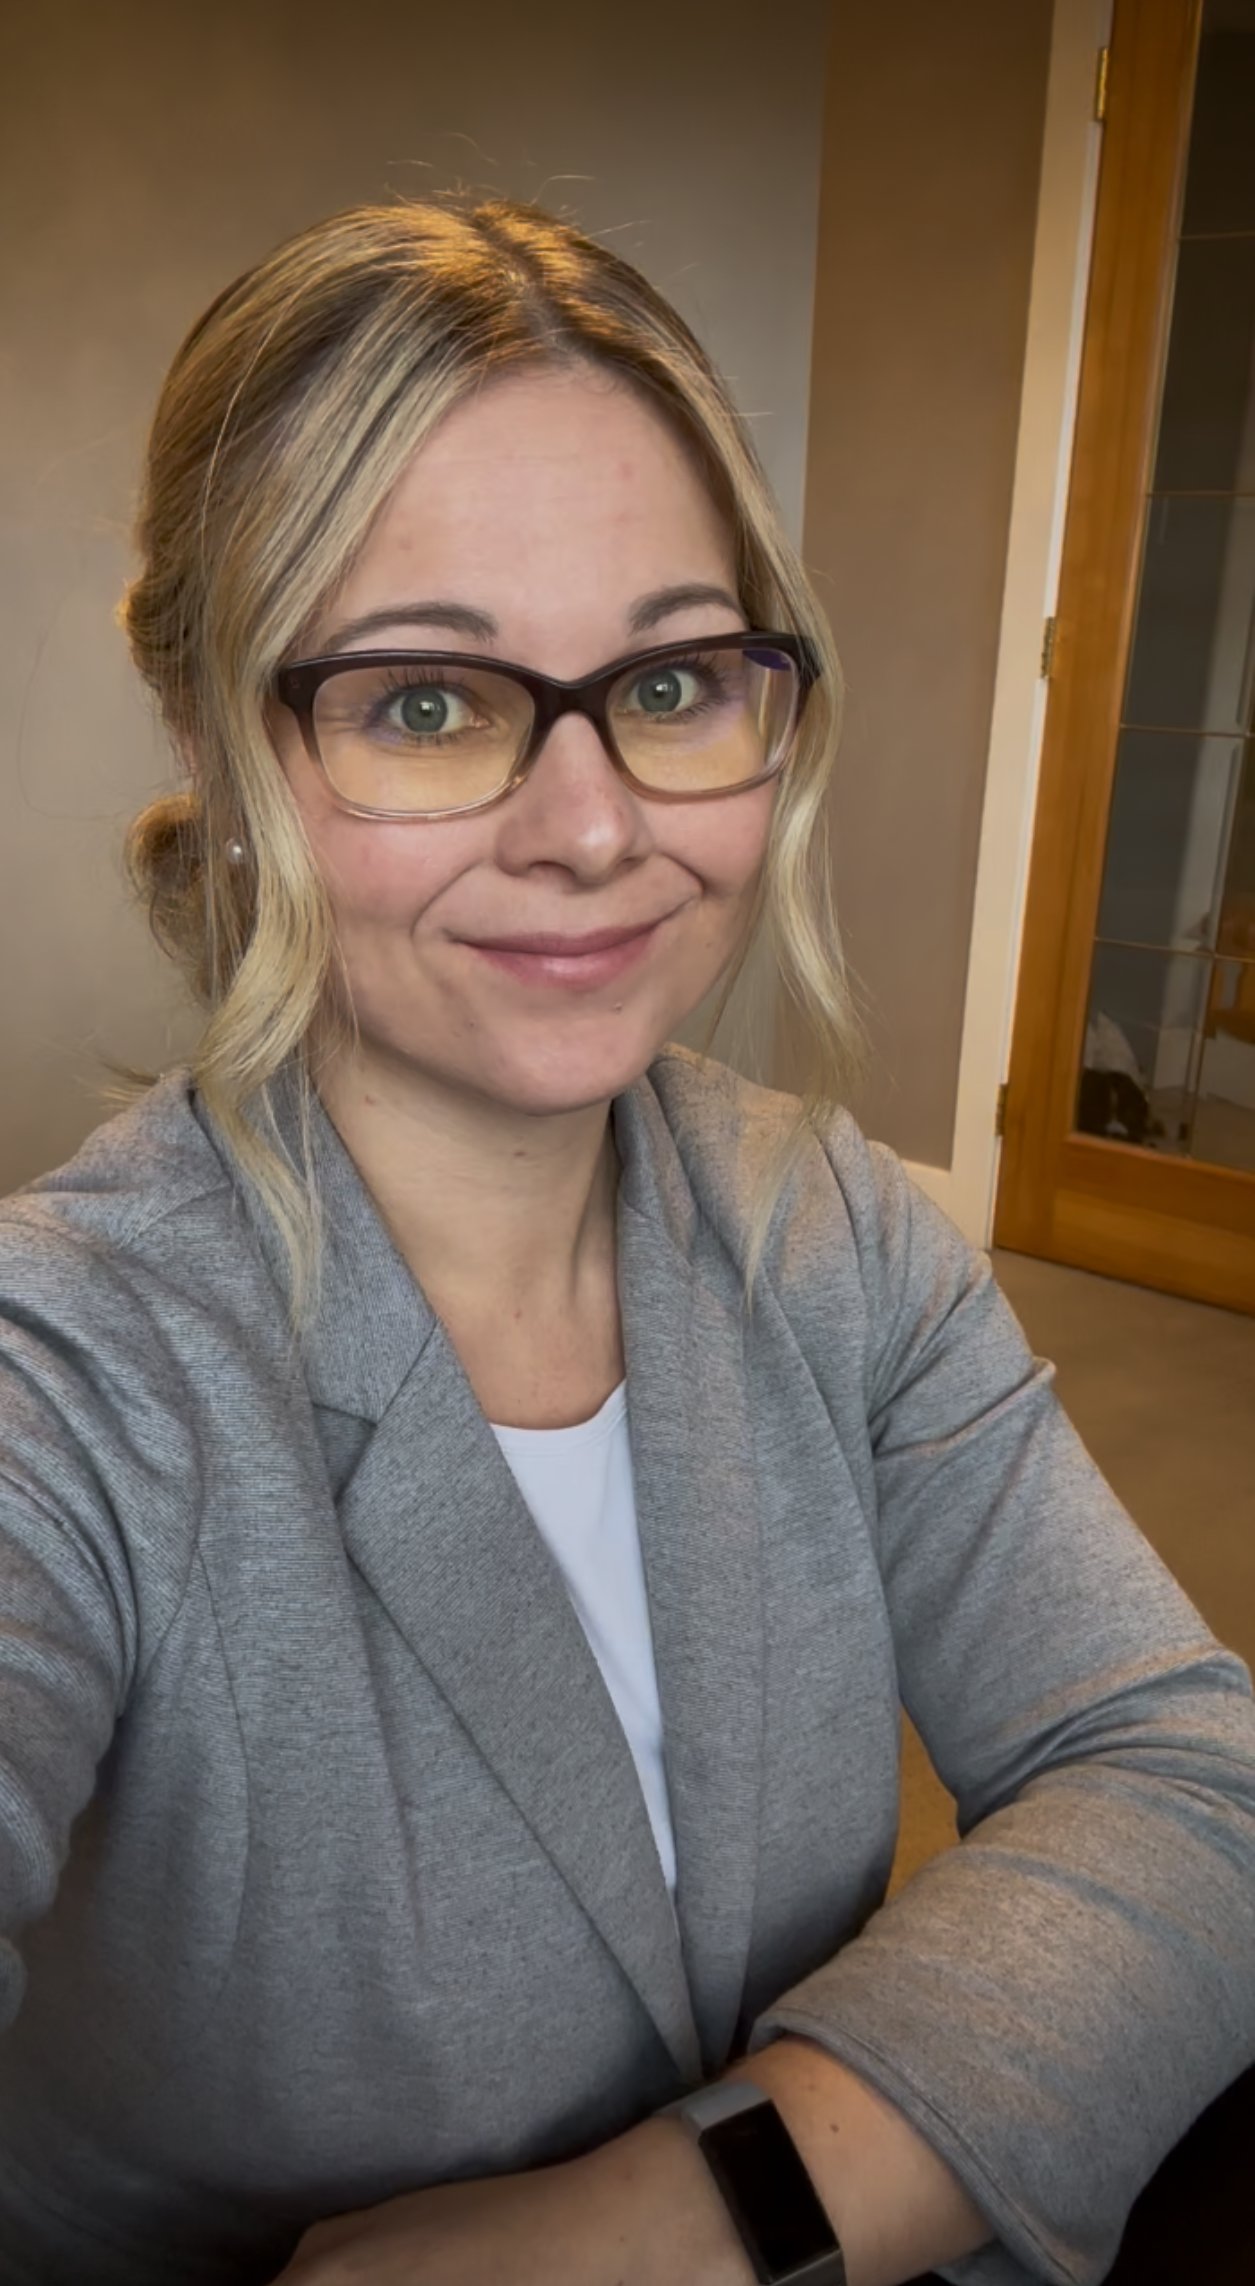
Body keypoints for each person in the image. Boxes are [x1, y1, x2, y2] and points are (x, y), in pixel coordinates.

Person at [0, 197, 1252, 2286]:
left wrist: (698, 2208)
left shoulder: (830, 1228)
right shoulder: (72, 1370)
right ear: (222, 741)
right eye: (425, 704)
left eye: (667, 679)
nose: (596, 826)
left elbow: (1190, 1778)